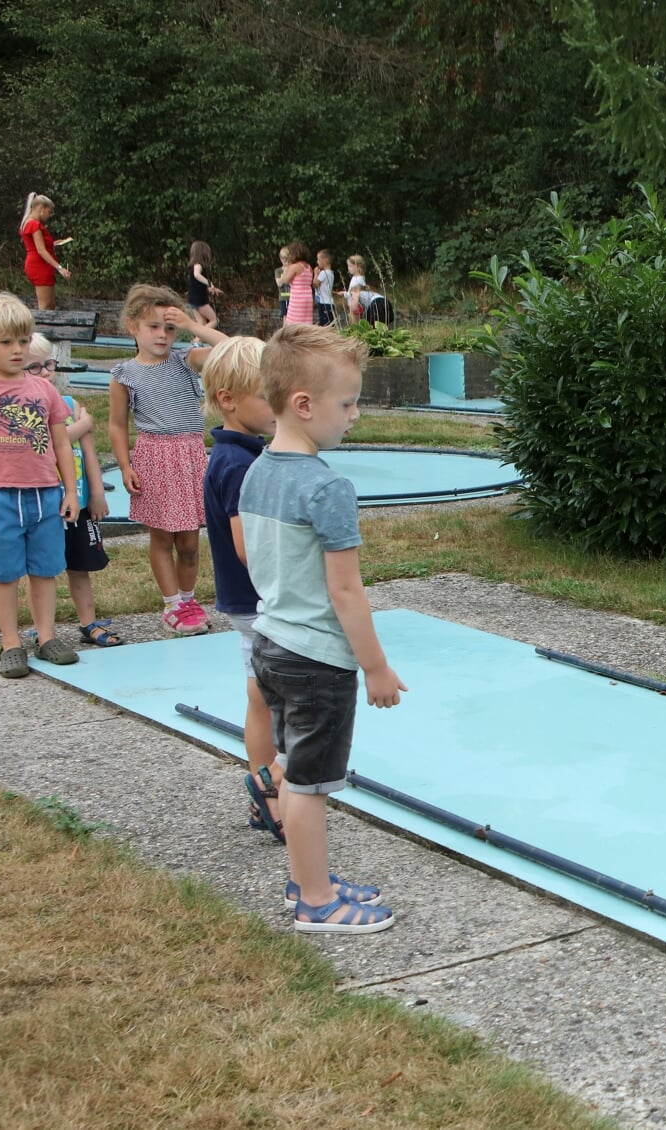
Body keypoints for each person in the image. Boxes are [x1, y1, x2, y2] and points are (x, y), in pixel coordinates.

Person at [242, 323, 405, 933]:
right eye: (348, 403)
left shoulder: (258, 470)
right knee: (310, 784)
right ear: (304, 405)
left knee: (292, 766)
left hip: (271, 644)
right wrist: (376, 667)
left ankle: (303, 879)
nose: (355, 415)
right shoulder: (328, 487)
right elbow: (345, 591)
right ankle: (316, 901)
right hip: (316, 660)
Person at [0, 294, 80, 678]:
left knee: (45, 569)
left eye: (22, 341)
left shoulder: (44, 391)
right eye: (5, 342)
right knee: (4, 572)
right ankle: (10, 642)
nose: (17, 350)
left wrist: (71, 491)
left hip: (45, 495)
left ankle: (46, 637)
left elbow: (60, 443)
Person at [201, 337, 285, 842]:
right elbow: (249, 546)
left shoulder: (238, 453)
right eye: (266, 398)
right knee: (286, 698)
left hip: (245, 602)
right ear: (229, 399)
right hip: (263, 601)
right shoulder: (239, 464)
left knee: (259, 694)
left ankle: (265, 791)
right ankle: (272, 784)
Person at [107, 284, 227, 636]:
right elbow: (116, 424)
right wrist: (125, 465)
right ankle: (172, 604)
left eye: (169, 328)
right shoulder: (124, 374)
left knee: (189, 542)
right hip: (154, 458)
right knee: (163, 538)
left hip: (190, 457)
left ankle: (189, 600)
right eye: (153, 327)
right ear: (132, 327)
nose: (162, 335)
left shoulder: (186, 360)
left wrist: (193, 326)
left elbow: (231, 349)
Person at [34, 333, 121, 648]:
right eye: (34, 367)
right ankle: (44, 628)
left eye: (48, 364)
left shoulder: (70, 404)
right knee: (43, 569)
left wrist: (97, 492)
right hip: (44, 504)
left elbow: (88, 453)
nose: (45, 372)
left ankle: (88, 622)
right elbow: (42, 445)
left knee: (80, 566)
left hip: (79, 502)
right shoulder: (26, 410)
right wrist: (83, 425)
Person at [20, 194, 70, 310]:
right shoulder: (34, 224)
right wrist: (59, 268)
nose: (49, 215)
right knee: (45, 306)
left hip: (38, 264)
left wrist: (52, 244)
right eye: (49, 211)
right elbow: (41, 250)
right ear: (41, 208)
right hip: (39, 265)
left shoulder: (28, 222)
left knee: (50, 305)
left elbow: (35, 244)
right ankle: (41, 328)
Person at [188, 241, 224, 328]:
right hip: (200, 301)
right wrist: (210, 283)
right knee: (215, 320)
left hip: (192, 299)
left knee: (201, 322)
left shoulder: (192, 267)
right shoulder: (198, 265)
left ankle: (196, 340)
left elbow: (196, 285)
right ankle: (198, 338)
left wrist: (211, 289)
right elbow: (197, 275)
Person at [279, 243, 313, 326]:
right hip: (308, 298)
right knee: (305, 320)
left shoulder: (294, 267)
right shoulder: (309, 267)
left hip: (297, 298)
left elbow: (286, 280)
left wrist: (286, 270)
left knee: (293, 321)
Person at [341, 254, 368, 323]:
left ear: (358, 267)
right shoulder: (356, 277)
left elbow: (355, 294)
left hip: (356, 307)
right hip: (353, 305)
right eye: (348, 266)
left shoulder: (358, 279)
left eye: (350, 266)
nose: (348, 268)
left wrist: (344, 294)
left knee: (355, 325)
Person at [313, 249, 336, 326]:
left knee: (324, 324)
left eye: (318, 259)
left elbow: (315, 284)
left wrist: (315, 274)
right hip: (329, 302)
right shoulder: (331, 273)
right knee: (330, 323)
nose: (317, 261)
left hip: (324, 303)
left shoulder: (323, 273)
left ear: (325, 260)